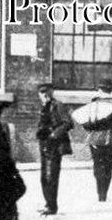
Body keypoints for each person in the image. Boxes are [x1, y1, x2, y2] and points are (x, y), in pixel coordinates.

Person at [83, 78, 112, 202]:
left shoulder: (94, 104)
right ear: (111, 90)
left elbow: (86, 124)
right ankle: (104, 194)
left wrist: (91, 130)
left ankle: (100, 194)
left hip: (96, 139)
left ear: (99, 90)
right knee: (108, 166)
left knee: (98, 166)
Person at [35, 83, 73, 216]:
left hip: (55, 145)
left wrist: (54, 134)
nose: (44, 94)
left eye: (46, 91)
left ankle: (52, 206)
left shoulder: (59, 105)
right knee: (44, 176)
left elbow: (68, 123)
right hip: (44, 144)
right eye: (41, 92)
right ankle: (48, 203)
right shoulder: (43, 107)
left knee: (51, 176)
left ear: (52, 92)